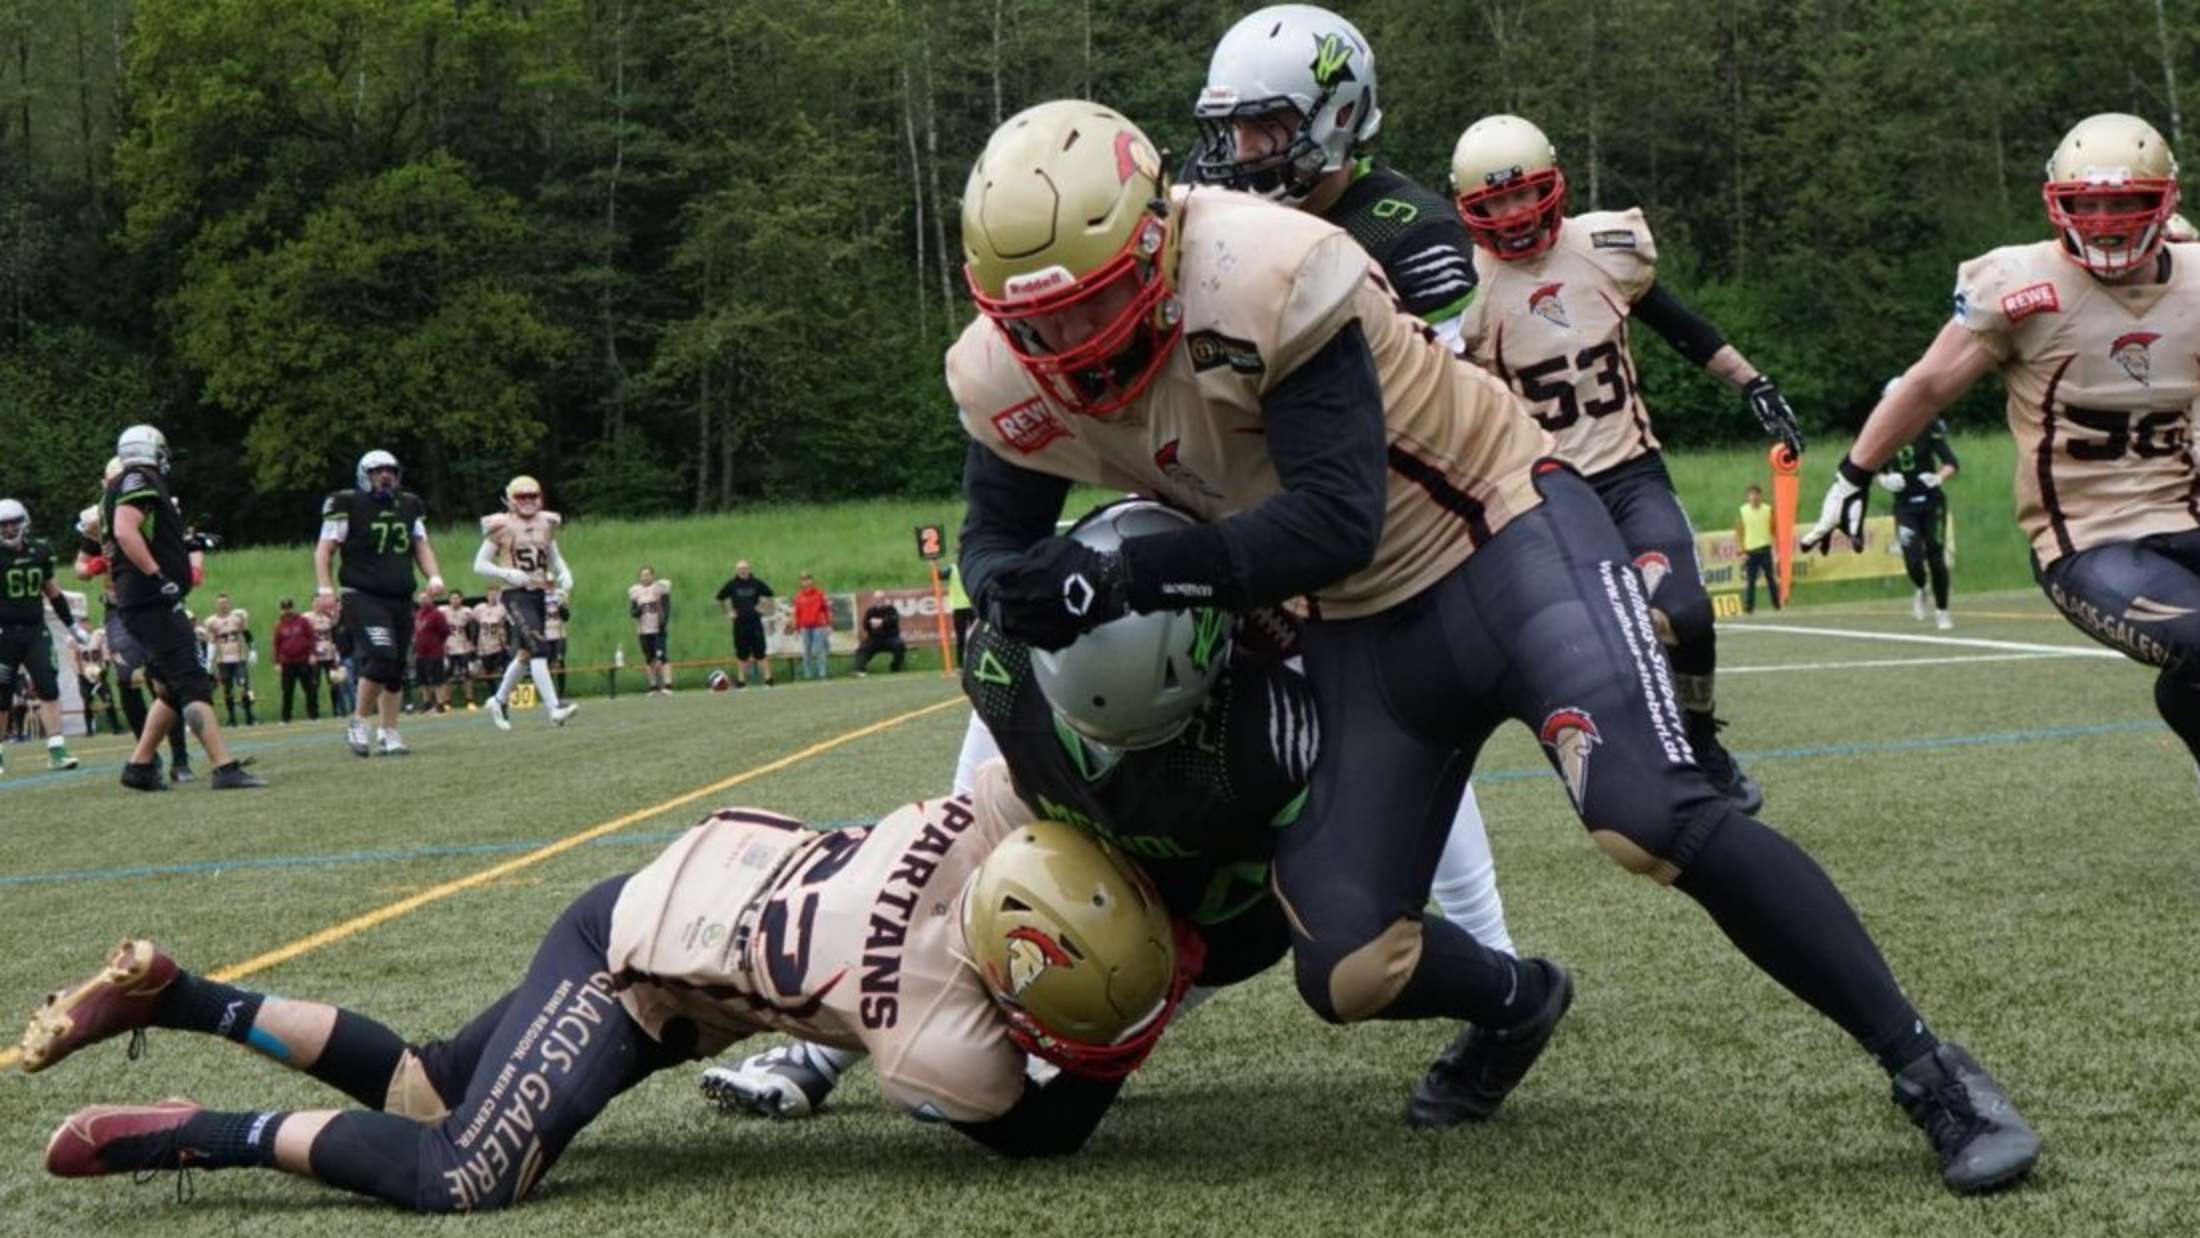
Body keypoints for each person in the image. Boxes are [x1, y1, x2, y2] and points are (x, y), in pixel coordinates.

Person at [947, 100, 2035, 1192]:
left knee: (1648, 813)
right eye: (1033, 327)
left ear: (1159, 241)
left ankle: (1929, 1067)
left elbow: (1336, 516)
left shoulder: (1263, 268)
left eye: (1093, 307)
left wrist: (1125, 574)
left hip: (1499, 538)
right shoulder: (1003, 371)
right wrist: (1010, 589)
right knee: (1348, 967)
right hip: (1355, 634)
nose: (1067, 350)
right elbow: (991, 535)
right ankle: (1521, 1001)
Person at [21, 764, 1195, 1212]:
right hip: (635, 962)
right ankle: (196, 1135)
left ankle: (177, 994)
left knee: (428, 1085)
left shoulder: (983, 813)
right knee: (462, 1169)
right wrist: (1124, 1030)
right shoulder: (928, 1031)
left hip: (681, 891)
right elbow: (1040, 1129)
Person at [712, 501, 1473, 1118]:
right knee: (957, 870)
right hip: (1095, 725)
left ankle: (1060, 1044)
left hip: (1214, 863)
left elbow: (1397, 788)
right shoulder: (1014, 653)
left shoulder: (1285, 667)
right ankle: (819, 1051)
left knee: (1141, 957)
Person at [1186, 3, 1513, 981]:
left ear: (1336, 116)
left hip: (1377, 536)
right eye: (1231, 127)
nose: (1241, 150)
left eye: (1268, 127)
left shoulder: (1409, 231)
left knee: (1394, 720)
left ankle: (1489, 951)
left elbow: (1416, 410)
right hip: (1247, 517)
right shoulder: (1221, 214)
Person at [1804, 112, 2197, 777]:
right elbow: (1928, 386)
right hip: (2089, 542)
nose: (2103, 218)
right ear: (2058, 205)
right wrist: (1853, 473)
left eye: (2123, 201)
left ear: (2163, 201)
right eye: (2087, 202)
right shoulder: (2020, 284)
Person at [1447, 114, 1806, 814]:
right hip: (1542, 492)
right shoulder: (1465, 292)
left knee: (1686, 613)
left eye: (1526, 194)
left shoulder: (1604, 248)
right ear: (1471, 209)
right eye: (1495, 202)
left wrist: (1752, 383)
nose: (1515, 214)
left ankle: (1703, 744)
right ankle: (1632, 771)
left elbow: (1675, 322)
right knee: (1587, 646)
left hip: (1629, 471)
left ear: (1556, 185)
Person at [99, 426, 264, 791]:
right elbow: (127, 531)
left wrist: (186, 545)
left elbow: (143, 534)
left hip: (144, 600)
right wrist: (158, 575)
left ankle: (139, 766)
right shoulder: (138, 479)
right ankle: (224, 767)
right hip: (151, 600)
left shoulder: (130, 481)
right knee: (193, 681)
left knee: (172, 690)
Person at [317, 450, 444, 757]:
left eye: (389, 470)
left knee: (397, 668)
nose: (385, 476)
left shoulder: (409, 504)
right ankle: (358, 721)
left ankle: (388, 731)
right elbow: (325, 550)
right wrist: (324, 588)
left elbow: (420, 545)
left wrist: (435, 576)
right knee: (382, 654)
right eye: (377, 471)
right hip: (361, 593)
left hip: (400, 596)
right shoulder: (347, 503)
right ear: (365, 474)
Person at [75, 495, 195, 781]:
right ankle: (148, 756)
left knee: (165, 681)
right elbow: (79, 568)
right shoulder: (100, 523)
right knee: (127, 677)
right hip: (118, 609)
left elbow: (183, 551)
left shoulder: (154, 516)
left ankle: (180, 757)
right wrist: (94, 567)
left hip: (155, 603)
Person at [473, 476, 578, 729]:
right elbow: (479, 565)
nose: (529, 501)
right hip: (515, 594)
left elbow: (554, 557)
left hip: (539, 594)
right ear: (511, 500)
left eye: (533, 496)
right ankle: (554, 709)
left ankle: (499, 700)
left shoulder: (546, 523)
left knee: (525, 653)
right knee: (541, 649)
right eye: (523, 497)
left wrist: (565, 573)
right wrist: (506, 573)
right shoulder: (501, 525)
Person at [0, 498, 85, 774]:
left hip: (35, 630)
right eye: (4, 524)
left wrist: (72, 626)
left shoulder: (41, 551)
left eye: (14, 523)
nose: (10, 529)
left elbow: (53, 591)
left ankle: (57, 749)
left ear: (24, 522)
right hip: (4, 633)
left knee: (48, 685)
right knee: (2, 694)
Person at [1871, 379, 1961, 629]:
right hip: (1904, 504)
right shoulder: (1883, 430)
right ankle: (1921, 588)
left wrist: (1938, 477)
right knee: (1912, 558)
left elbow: (1951, 462)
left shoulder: (1927, 424)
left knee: (1936, 555)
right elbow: (1874, 466)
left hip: (1932, 502)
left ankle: (1943, 611)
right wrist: (1884, 479)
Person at [715, 560, 775, 688]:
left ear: (749, 569)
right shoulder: (732, 585)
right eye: (740, 568)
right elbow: (720, 598)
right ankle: (741, 681)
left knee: (760, 652)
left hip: (755, 622)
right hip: (740, 624)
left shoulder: (756, 583)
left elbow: (770, 594)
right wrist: (728, 613)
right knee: (742, 654)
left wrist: (764, 608)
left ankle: (768, 680)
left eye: (745, 568)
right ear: (736, 570)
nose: (743, 570)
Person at [204, 593, 257, 728]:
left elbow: (247, 634)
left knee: (244, 686)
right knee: (227, 690)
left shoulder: (237, 618)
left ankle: (249, 716)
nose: (223, 605)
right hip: (223, 661)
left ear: (229, 604)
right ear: (216, 605)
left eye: (225, 602)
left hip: (239, 658)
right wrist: (209, 661)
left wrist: (252, 650)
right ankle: (232, 718)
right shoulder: (212, 622)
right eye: (220, 603)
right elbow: (211, 642)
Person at [271, 598, 319, 724]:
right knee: (287, 691)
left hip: (303, 661)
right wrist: (276, 662)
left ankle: (313, 716)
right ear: (281, 610)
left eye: (289, 608)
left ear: (293, 608)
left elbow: (312, 638)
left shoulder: (303, 621)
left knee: (309, 689)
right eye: (285, 608)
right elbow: (276, 645)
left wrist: (313, 654)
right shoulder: (279, 625)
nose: (287, 611)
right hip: (287, 663)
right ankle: (286, 718)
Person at [628, 566, 673, 693]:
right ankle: (653, 686)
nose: (645, 577)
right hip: (643, 630)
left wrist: (663, 622)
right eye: (643, 575)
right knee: (649, 658)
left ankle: (668, 685)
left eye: (648, 575)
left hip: (658, 629)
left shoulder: (660, 587)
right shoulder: (635, 591)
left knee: (662, 657)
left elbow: (666, 606)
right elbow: (632, 612)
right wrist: (639, 609)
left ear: (653, 576)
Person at [1737, 484, 1781, 613]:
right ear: (1747, 497)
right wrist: (1741, 551)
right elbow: (1739, 532)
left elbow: (1774, 529)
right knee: (1750, 581)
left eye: (1757, 494)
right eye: (1751, 495)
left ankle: (1776, 603)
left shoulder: (1768, 510)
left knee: (1770, 579)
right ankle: (1749, 606)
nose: (1754, 497)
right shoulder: (1743, 511)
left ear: (1761, 496)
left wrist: (1777, 549)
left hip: (1765, 549)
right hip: (1750, 551)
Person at [307, 592, 346, 718]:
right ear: (312, 604)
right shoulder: (307, 618)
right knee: (314, 684)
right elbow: (305, 637)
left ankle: (337, 710)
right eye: (316, 602)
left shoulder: (329, 618)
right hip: (316, 656)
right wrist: (309, 653)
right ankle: (314, 713)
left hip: (329, 655)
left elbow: (334, 636)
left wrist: (337, 653)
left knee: (334, 683)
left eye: (320, 602)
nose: (318, 605)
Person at [411, 591, 451, 713]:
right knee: (422, 680)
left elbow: (445, 631)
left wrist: (438, 643)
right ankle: (427, 703)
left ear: (431, 599)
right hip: (420, 652)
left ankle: (440, 704)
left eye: (426, 598)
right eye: (421, 598)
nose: (423, 600)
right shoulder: (417, 615)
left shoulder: (437, 614)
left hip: (435, 651)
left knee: (437, 679)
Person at [852, 596, 907, 676]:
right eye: (877, 599)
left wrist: (882, 622)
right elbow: (865, 624)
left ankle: (895, 668)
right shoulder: (871, 611)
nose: (879, 601)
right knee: (863, 649)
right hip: (875, 638)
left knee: (900, 645)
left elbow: (893, 620)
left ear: (885, 600)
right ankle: (858, 670)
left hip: (890, 638)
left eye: (881, 599)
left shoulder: (891, 609)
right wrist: (870, 624)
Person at [440, 589, 476, 710]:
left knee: (466, 675)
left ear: (461, 599)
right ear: (449, 599)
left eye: (457, 598)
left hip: (462, 647)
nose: (455, 600)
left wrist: (471, 642)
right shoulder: (443, 611)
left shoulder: (467, 612)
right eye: (453, 598)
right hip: (448, 648)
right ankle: (447, 702)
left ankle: (469, 700)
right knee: (447, 677)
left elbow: (473, 627)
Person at [793, 572, 831, 680]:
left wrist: (828, 624)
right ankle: (808, 674)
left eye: (808, 579)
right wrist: (797, 628)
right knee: (806, 650)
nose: (806, 581)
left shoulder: (819, 594)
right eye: (803, 579)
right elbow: (797, 613)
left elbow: (825, 610)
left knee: (819, 649)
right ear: (801, 582)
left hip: (818, 626)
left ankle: (822, 673)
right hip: (805, 627)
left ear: (812, 581)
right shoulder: (799, 596)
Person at [542, 590, 571, 697]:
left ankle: (561, 691)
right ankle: (550, 693)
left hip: (559, 635)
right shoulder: (540, 597)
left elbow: (566, 617)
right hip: (546, 636)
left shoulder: (559, 595)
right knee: (548, 664)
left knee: (560, 662)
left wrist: (561, 606)